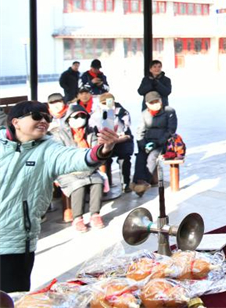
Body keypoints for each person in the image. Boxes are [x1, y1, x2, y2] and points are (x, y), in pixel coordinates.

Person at [0, 101, 121, 292]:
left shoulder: (49, 149)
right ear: (16, 122)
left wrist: (103, 149)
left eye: (47, 118)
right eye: (37, 116)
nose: (44, 121)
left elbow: (76, 158)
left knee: (11, 298)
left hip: (15, 241)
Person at [52, 105, 107, 233]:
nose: (80, 119)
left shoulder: (91, 132)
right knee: (78, 184)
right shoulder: (59, 134)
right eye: (76, 116)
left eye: (83, 116)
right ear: (68, 119)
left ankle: (95, 214)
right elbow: (60, 157)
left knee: (97, 180)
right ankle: (78, 218)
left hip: (88, 168)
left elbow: (96, 152)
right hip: (68, 171)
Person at [132, 92, 177, 196]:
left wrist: (156, 143)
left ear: (161, 101)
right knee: (140, 156)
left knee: (152, 157)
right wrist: (142, 144)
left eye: (157, 101)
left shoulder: (169, 111)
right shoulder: (144, 114)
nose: (155, 104)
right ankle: (137, 182)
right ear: (147, 104)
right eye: (152, 103)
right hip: (148, 142)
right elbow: (140, 131)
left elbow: (171, 131)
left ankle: (144, 183)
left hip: (164, 143)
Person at [90, 93, 134, 193]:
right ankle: (106, 184)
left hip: (122, 142)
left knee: (124, 159)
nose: (107, 105)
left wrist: (117, 138)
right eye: (103, 103)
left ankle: (126, 183)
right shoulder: (95, 114)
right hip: (104, 142)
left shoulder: (122, 112)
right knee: (104, 159)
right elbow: (92, 130)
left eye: (109, 102)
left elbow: (126, 131)